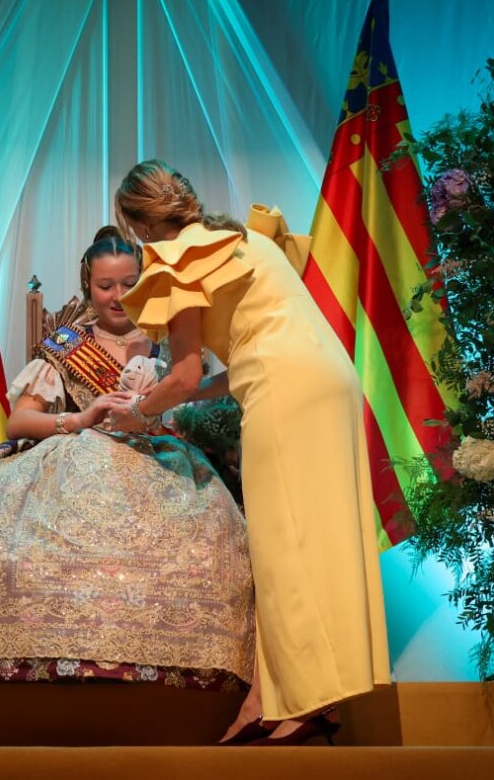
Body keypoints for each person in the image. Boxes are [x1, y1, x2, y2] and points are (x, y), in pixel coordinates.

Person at [107, 160, 390, 746]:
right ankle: (279, 698)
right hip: (328, 380)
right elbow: (230, 363)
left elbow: (183, 376)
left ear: (135, 225)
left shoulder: (178, 255)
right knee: (316, 537)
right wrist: (175, 396)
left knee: (281, 544)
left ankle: (299, 703)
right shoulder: (239, 240)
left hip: (283, 390)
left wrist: (138, 413)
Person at [0, 227, 254, 694]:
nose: (117, 296)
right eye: (105, 285)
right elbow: (18, 423)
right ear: (87, 284)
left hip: (163, 465)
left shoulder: (173, 341)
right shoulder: (65, 346)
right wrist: (80, 418)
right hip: (76, 457)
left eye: (129, 283)